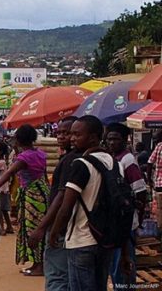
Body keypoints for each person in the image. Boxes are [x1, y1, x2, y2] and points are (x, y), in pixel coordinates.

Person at [49, 116, 130, 291]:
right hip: (104, 239)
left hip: (81, 239)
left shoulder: (81, 164)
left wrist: (54, 232)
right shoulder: (114, 164)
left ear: (93, 137)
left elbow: (66, 206)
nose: (72, 138)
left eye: (77, 135)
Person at [0, 124, 48, 276]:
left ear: (18, 140)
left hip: (31, 197)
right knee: (38, 228)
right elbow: (44, 176)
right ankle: (37, 264)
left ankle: (39, 266)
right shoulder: (40, 154)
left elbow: (9, 173)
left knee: (31, 230)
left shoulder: (24, 158)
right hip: (42, 194)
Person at [28, 115, 77, 291]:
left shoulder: (71, 160)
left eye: (67, 133)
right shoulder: (71, 158)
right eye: (59, 133)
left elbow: (61, 197)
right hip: (69, 228)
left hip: (60, 227)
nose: (61, 137)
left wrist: (43, 228)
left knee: (57, 276)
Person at [106, 122, 147, 286]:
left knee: (123, 265)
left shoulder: (128, 161)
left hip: (126, 222)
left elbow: (140, 191)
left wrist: (138, 219)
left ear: (125, 140)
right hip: (116, 222)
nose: (111, 143)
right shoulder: (114, 159)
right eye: (109, 139)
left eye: (115, 139)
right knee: (115, 266)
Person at [0, 142, 15, 235]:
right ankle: (9, 226)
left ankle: (0, 228)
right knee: (4, 209)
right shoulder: (4, 162)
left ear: (1, 152)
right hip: (4, 188)